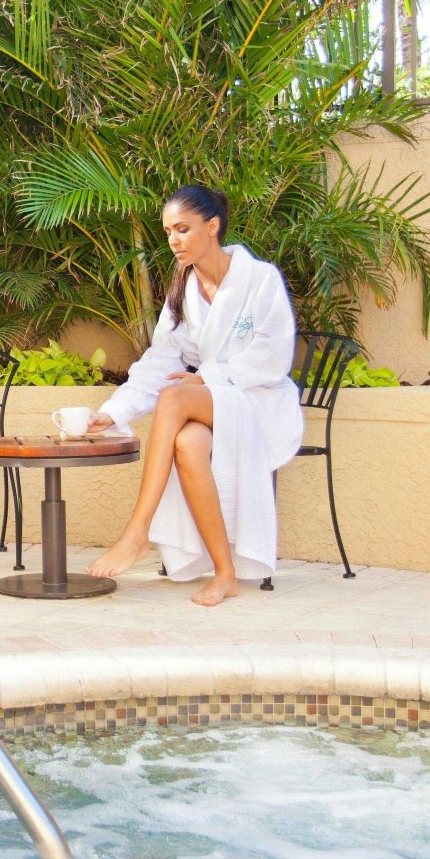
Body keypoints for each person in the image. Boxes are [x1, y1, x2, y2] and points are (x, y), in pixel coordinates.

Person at [84, 185, 303, 605]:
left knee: (174, 397)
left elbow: (274, 356)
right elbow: (160, 360)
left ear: (213, 226)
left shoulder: (259, 279)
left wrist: (205, 379)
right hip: (218, 405)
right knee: (187, 442)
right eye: (168, 231)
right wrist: (115, 411)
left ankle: (138, 530)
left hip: (259, 400)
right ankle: (225, 573)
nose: (174, 240)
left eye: (183, 229)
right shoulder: (182, 288)